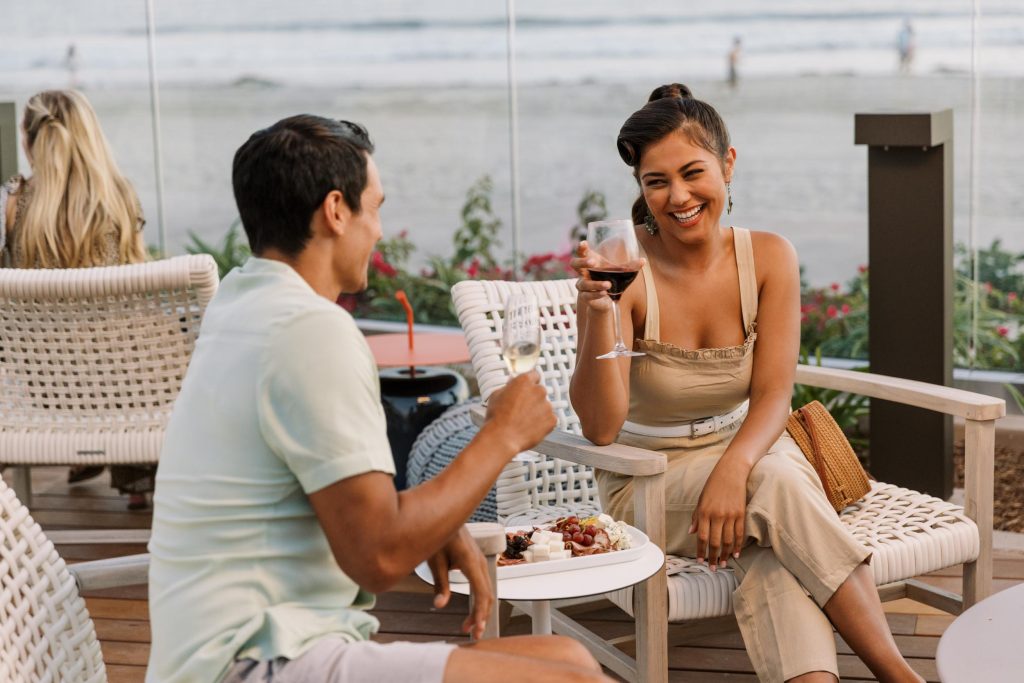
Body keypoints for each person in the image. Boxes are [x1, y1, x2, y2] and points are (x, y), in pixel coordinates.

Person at [146, 114, 612, 683]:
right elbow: (380, 556)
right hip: (255, 661)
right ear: (336, 210)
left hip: (216, 649)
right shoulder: (309, 330)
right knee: (573, 679)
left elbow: (319, 493)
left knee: (569, 658)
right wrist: (502, 435)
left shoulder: (240, 305)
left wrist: (437, 523)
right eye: (376, 206)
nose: (381, 230)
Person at [569, 84, 924, 683]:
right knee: (778, 485)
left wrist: (732, 473)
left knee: (773, 552)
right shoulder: (624, 273)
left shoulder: (769, 258)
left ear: (728, 164)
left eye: (692, 172)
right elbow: (601, 428)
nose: (677, 196)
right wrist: (602, 313)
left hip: (753, 451)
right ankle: (899, 675)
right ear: (641, 190)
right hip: (650, 479)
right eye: (656, 182)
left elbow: (772, 397)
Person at [0, 89, 154, 510]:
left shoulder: (12, 202)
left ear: (29, 140)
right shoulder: (123, 199)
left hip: (40, 386)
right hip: (121, 386)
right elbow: (139, 289)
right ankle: (136, 475)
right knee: (137, 333)